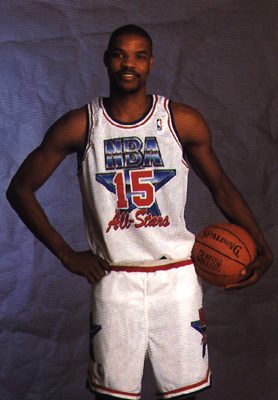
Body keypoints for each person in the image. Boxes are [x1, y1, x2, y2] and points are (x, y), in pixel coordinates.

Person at [6, 25, 272, 400]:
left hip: (177, 278)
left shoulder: (180, 121)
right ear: (106, 60)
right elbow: (20, 189)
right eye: (119, 54)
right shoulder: (82, 125)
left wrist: (261, 244)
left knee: (184, 395)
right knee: (112, 396)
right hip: (116, 280)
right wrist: (65, 254)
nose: (128, 63)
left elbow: (222, 189)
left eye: (138, 55)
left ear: (150, 63)